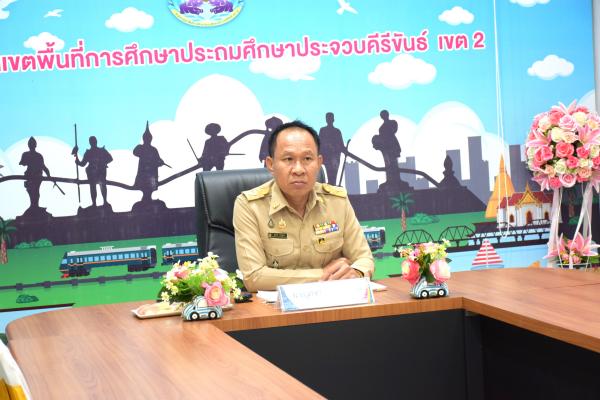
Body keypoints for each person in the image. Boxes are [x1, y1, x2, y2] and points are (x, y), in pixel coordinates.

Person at [233, 120, 374, 291]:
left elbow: (364, 259)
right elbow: (254, 277)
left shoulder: (337, 201)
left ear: (319, 162)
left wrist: (356, 272)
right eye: (288, 159)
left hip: (334, 301)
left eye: (307, 159)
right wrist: (325, 275)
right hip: (276, 306)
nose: (298, 169)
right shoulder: (250, 206)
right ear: (270, 164)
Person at [72, 136, 113, 207]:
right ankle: (94, 203)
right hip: (92, 173)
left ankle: (104, 201)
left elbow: (110, 158)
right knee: (93, 186)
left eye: (94, 141)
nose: (93, 142)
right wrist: (77, 160)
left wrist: (102, 163)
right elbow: (83, 164)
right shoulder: (88, 153)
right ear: (90, 143)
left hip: (101, 172)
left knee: (102, 185)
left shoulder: (102, 151)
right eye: (92, 141)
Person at [133, 122, 166, 202]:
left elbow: (158, 160)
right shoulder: (140, 147)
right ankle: (146, 199)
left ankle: (147, 198)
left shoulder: (153, 150)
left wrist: (161, 162)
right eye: (146, 138)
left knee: (149, 188)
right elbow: (135, 152)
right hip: (143, 174)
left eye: (148, 138)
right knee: (144, 187)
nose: (147, 140)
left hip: (152, 174)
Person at [19, 136, 51, 209]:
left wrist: (49, 175)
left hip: (37, 176)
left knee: (35, 192)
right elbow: (22, 163)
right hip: (30, 175)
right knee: (32, 191)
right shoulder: (26, 154)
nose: (31, 146)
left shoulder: (38, 156)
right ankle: (34, 206)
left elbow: (43, 167)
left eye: (32, 144)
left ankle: (35, 207)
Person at [318, 112, 345, 185]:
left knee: (333, 177)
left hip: (334, 158)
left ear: (333, 119)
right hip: (327, 158)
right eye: (328, 118)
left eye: (330, 118)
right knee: (330, 176)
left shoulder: (337, 131)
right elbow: (320, 144)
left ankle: (332, 186)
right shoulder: (323, 130)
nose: (329, 120)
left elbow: (341, 145)